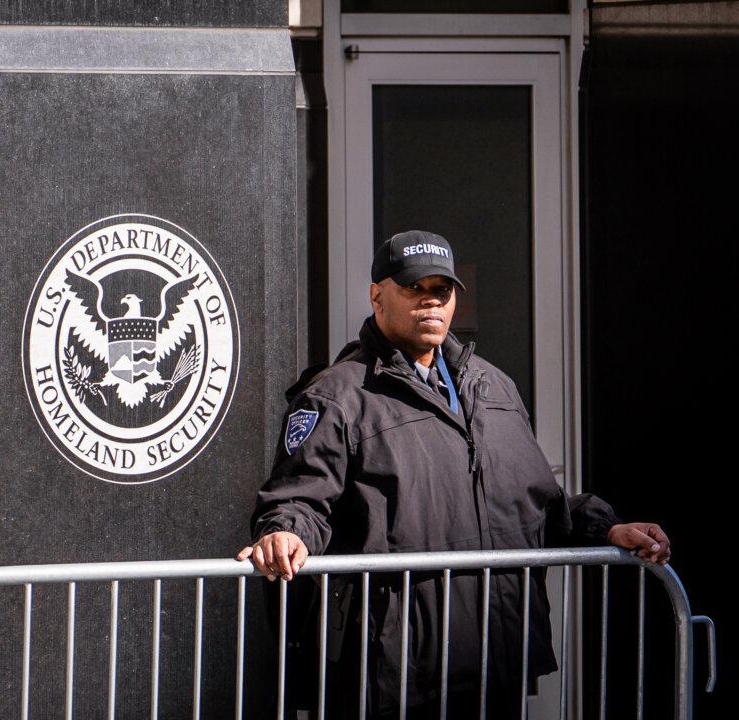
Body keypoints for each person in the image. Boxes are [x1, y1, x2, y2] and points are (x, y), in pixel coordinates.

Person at [236, 230, 671, 719]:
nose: (431, 301)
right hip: (398, 669)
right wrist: (285, 534)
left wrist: (607, 530)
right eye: (414, 288)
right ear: (377, 295)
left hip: (493, 659)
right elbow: (299, 498)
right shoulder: (336, 395)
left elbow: (535, 502)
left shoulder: (493, 386)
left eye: (441, 290)